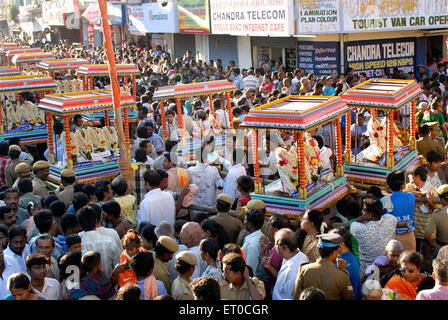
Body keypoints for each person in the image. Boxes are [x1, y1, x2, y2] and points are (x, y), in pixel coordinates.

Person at [292, 233, 354, 300]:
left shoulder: (304, 270)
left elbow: (296, 296)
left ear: (318, 251)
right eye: (337, 252)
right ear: (334, 253)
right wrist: (343, 272)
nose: (338, 255)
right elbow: (349, 297)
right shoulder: (341, 275)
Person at [77, 206, 121, 278]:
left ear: (80, 225)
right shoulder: (109, 241)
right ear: (96, 221)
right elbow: (119, 264)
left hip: (86, 287)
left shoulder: (77, 244)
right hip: (109, 285)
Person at [382, 170, 416, 251]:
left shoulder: (385, 200)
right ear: (403, 185)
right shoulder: (410, 196)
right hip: (409, 237)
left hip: (392, 238)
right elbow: (407, 193)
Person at [272, 228, 308, 300]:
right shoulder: (292, 256)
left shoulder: (292, 271)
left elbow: (289, 296)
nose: (275, 247)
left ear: (284, 247)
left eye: (276, 244)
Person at [330, 228, 362, 300]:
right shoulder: (336, 256)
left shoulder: (351, 263)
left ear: (341, 244)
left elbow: (354, 289)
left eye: (332, 243)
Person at [242, 205, 267, 282]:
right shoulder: (261, 236)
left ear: (250, 225)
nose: (243, 222)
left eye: (245, 220)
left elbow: (250, 270)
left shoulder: (252, 245)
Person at [424, 184, 448, 257]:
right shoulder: (438, 213)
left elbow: (427, 236)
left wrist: (432, 245)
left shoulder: (437, 214)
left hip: (440, 247)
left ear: (442, 199)